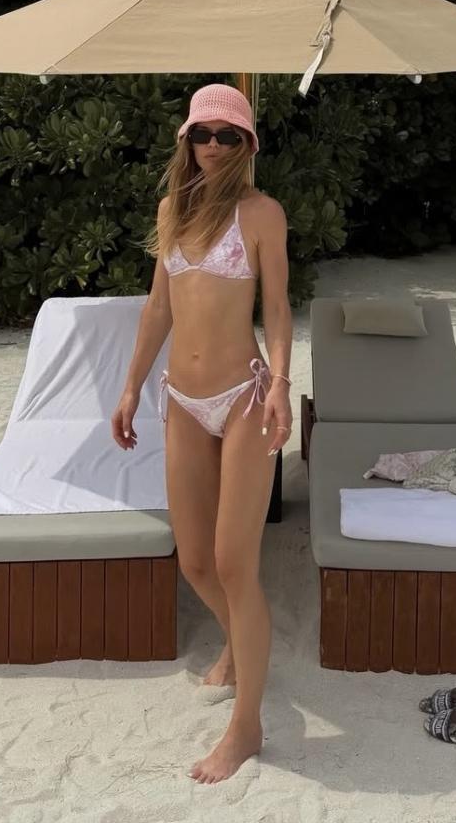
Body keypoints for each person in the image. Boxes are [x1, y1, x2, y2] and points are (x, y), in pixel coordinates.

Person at [111, 82, 293, 785]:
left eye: (228, 135)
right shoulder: (171, 210)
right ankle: (238, 647)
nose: (213, 145)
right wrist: (130, 386)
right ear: (184, 140)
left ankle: (246, 727)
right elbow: (158, 308)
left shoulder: (261, 213)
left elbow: (277, 308)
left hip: (243, 396)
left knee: (232, 563)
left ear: (246, 145)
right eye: (202, 134)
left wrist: (280, 383)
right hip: (182, 400)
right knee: (193, 562)